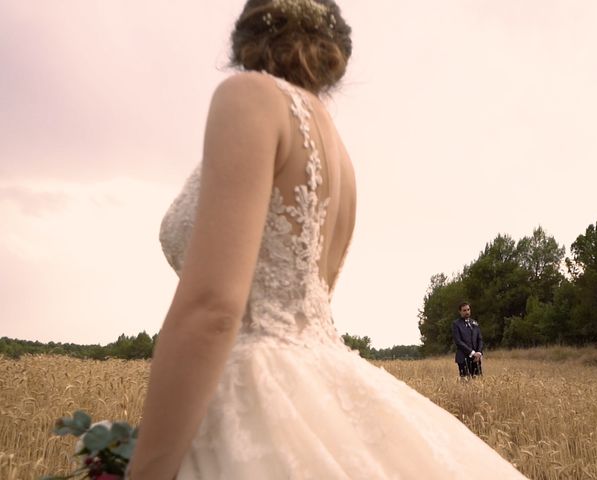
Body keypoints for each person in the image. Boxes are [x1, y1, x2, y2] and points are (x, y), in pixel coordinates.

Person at [126, 1, 527, 478]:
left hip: (254, 391)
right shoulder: (340, 155)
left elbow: (213, 307)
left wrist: (145, 469)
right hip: (322, 386)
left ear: (248, 33)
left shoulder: (248, 98)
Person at [452, 302, 484, 378]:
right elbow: (458, 341)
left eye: (468, 310)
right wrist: (472, 353)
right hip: (463, 358)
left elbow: (480, 339)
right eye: (464, 310)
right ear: (460, 312)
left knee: (478, 381)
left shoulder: (475, 323)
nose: (467, 312)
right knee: (466, 383)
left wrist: (479, 352)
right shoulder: (456, 324)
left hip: (476, 358)